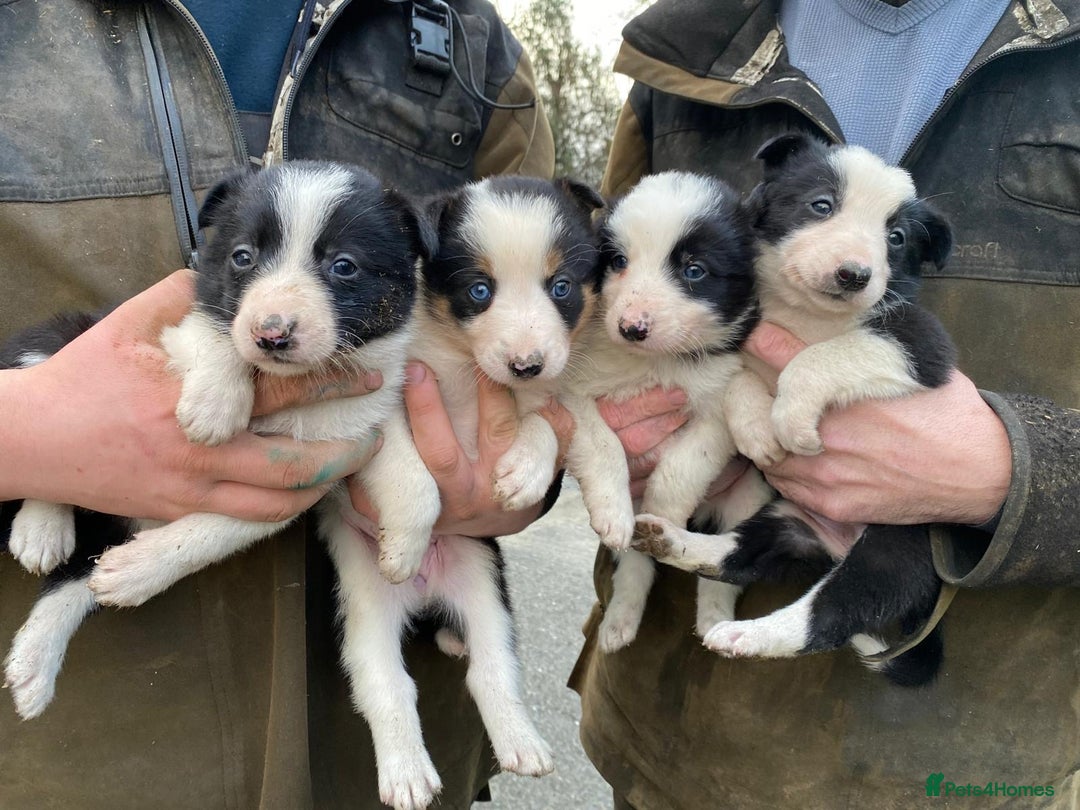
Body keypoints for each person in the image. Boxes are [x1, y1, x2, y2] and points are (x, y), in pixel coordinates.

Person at [0, 1, 561, 807]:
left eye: (338, 268)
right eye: (244, 256)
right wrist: (26, 438)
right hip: (89, 748)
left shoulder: (471, 44)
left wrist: (526, 479)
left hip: (374, 751)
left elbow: (545, 314)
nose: (275, 307)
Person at [570, 0, 1080, 807]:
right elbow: (595, 298)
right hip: (667, 740)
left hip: (968, 766)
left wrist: (1013, 471)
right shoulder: (685, 40)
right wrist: (605, 436)